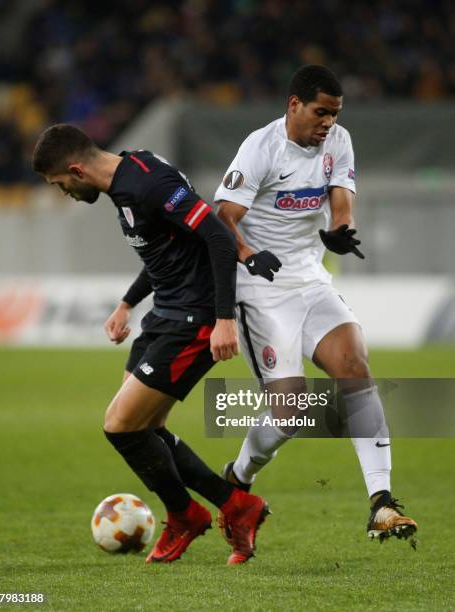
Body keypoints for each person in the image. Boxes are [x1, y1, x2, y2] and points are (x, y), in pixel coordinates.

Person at [32, 124, 270, 565]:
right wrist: (127, 304)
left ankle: (186, 516)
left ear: (76, 169)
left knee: (120, 425)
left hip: (194, 319)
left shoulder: (148, 183)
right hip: (165, 314)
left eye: (59, 183)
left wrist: (222, 320)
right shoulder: (128, 176)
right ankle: (238, 506)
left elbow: (216, 235)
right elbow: (165, 251)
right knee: (146, 429)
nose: (62, 191)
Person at [214, 65, 417, 542]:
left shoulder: (338, 141)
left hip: (310, 278)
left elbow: (341, 197)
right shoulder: (260, 147)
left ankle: (381, 502)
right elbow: (223, 215)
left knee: (354, 365)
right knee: (290, 410)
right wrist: (247, 253)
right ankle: (239, 478)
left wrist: (339, 229)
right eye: (320, 112)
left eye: (334, 114)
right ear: (294, 106)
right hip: (261, 288)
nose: (327, 122)